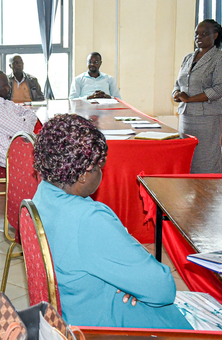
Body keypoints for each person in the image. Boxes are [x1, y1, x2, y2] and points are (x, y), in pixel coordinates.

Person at [32, 113, 191, 329]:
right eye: (99, 167)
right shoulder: (89, 220)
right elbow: (163, 289)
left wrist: (125, 277)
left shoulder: (42, 194)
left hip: (72, 310)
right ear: (83, 175)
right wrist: (131, 275)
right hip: (103, 324)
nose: (102, 172)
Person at [173, 19, 222, 174]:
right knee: (187, 155)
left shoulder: (221, 58)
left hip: (208, 117)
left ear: (215, 35)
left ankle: (210, 187)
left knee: (206, 157)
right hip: (186, 116)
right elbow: (178, 83)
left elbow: (219, 89)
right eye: (196, 34)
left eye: (204, 34)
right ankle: (190, 185)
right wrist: (176, 94)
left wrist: (189, 99)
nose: (198, 37)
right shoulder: (188, 58)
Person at [0, 70, 37, 167]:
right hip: (13, 157)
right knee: (56, 151)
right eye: (5, 86)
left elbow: (29, 113)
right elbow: (26, 130)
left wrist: (23, 121)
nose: (9, 88)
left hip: (19, 148)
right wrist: (24, 121)